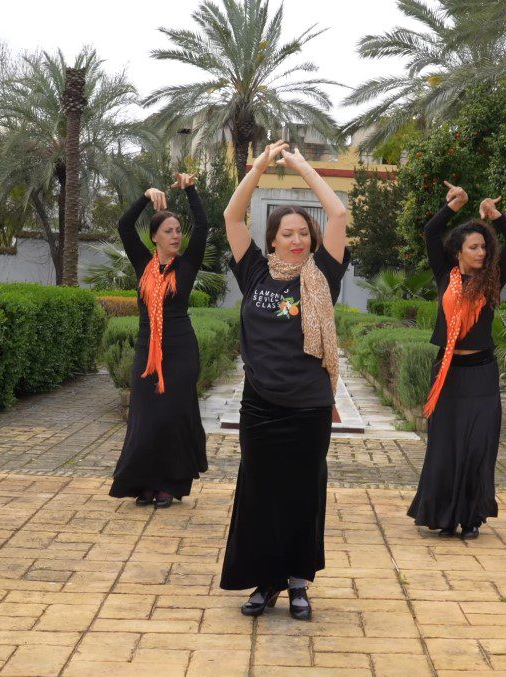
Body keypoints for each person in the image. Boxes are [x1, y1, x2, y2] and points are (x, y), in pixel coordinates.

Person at [220, 141, 350, 621]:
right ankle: (264, 581)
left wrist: (299, 166)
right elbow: (234, 217)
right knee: (259, 493)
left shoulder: (323, 276)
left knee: (302, 493)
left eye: (303, 233)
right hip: (259, 406)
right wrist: (258, 166)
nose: (296, 240)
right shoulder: (254, 272)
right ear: (272, 239)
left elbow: (337, 215)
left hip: (308, 407)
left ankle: (297, 583)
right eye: (287, 233)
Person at [407, 181, 506, 540]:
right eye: (473, 247)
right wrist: (457, 204)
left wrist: (495, 215)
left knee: (477, 447)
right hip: (447, 373)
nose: (481, 252)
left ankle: (471, 516)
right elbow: (431, 230)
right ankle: (443, 515)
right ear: (458, 251)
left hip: (482, 375)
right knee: (445, 446)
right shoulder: (445, 275)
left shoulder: (492, 279)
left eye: (484, 246)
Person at [109, 173, 210, 508]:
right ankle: (145, 482)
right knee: (146, 417)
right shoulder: (143, 264)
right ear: (154, 237)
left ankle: (169, 484)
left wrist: (191, 189)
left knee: (172, 416)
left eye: (178, 231)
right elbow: (124, 226)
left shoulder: (187, 265)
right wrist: (145, 196)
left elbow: (204, 224)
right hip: (146, 350)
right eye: (168, 231)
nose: (176, 236)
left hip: (180, 351)